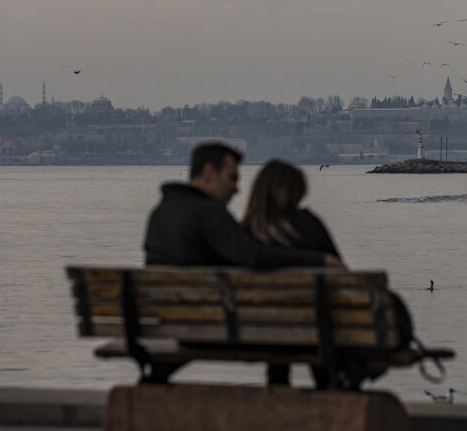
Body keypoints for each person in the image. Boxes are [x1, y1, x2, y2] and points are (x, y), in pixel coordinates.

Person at [144, 143, 343, 269]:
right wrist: (319, 261)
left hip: (170, 323)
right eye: (232, 178)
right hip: (208, 328)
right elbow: (252, 255)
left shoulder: (159, 214)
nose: (237, 189)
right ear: (209, 173)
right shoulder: (209, 213)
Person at [242, 159, 342, 386]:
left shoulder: (245, 233)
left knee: (280, 333)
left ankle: (278, 398)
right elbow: (342, 275)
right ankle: (330, 392)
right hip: (315, 330)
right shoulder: (308, 224)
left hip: (262, 332)